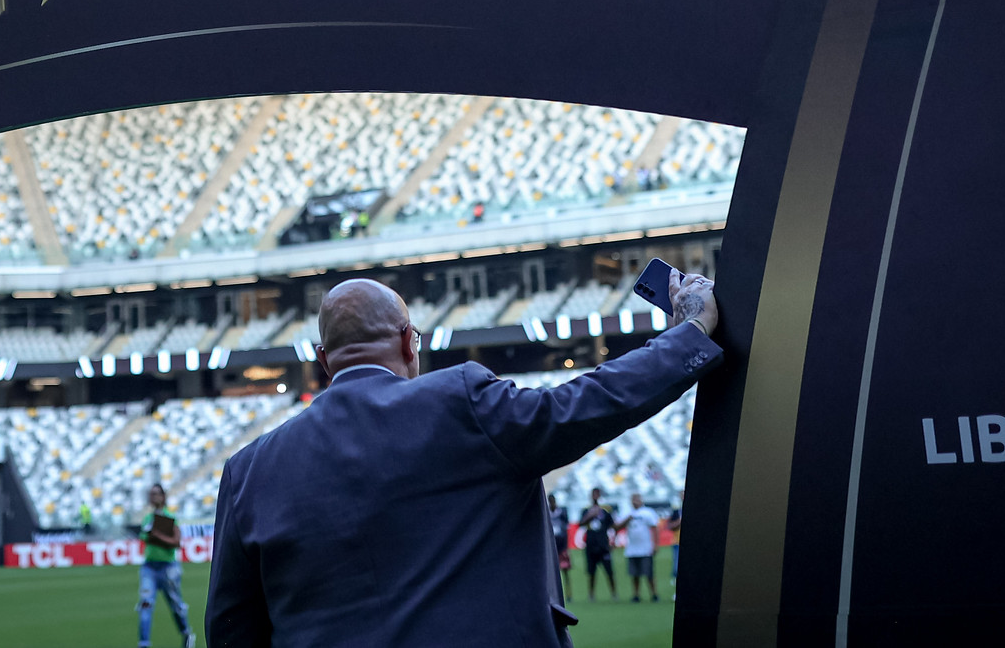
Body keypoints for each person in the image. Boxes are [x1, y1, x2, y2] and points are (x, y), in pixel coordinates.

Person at [207, 271, 720, 647]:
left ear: (324, 359)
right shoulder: (460, 400)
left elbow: (231, 630)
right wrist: (689, 332)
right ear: (410, 342)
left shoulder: (247, 470)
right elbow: (588, 403)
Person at [139, 482, 195, 648]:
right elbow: (145, 538)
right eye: (151, 493)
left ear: (163, 497)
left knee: (176, 605)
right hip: (149, 567)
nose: (153, 497)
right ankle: (143, 644)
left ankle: (187, 633)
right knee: (145, 604)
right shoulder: (147, 519)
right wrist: (157, 537)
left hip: (169, 567)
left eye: (156, 493)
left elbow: (176, 542)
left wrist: (156, 536)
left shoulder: (171, 518)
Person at [617, 492, 660, 602]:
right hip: (632, 548)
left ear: (641, 500)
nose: (635, 501)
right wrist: (628, 519)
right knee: (634, 574)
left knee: (649, 573)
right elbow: (617, 527)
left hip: (646, 548)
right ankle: (636, 594)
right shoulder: (627, 513)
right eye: (633, 499)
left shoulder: (648, 512)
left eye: (637, 499)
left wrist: (655, 544)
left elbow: (654, 529)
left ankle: (654, 594)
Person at [580, 489, 618, 600]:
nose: (595, 496)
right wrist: (590, 515)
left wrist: (613, 542)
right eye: (593, 494)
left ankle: (614, 593)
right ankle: (591, 594)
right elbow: (581, 523)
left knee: (609, 571)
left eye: (597, 494)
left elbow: (613, 526)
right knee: (591, 572)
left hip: (603, 546)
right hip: (591, 545)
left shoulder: (605, 510)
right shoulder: (586, 510)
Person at [549, 494, 572, 602]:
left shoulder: (562, 513)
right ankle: (553, 595)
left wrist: (566, 547)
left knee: (565, 572)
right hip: (552, 548)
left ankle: (569, 594)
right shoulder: (547, 513)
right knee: (552, 573)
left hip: (562, 547)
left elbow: (566, 530)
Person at [666, 488, 683, 583]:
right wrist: (679, 522)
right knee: (676, 565)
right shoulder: (676, 511)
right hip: (677, 541)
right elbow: (670, 526)